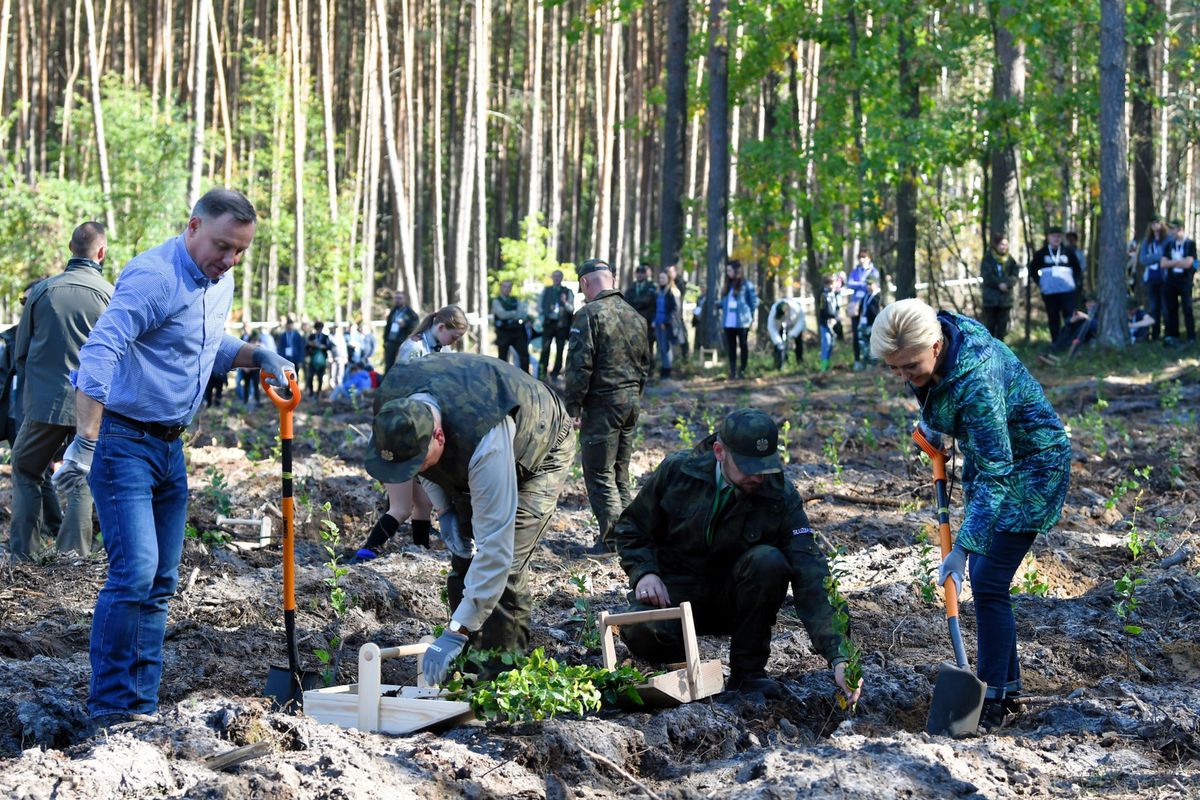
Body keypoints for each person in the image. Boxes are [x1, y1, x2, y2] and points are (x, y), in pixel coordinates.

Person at [54, 189, 294, 729]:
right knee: (134, 573)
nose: (230, 260)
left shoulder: (218, 280)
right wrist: (86, 442)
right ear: (193, 227)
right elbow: (101, 350)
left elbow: (205, 344)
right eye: (222, 246)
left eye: (240, 252)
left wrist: (259, 356)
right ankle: (112, 709)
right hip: (124, 442)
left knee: (161, 579)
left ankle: (141, 706)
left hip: (169, 447)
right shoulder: (154, 276)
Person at [871, 298, 1070, 730]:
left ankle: (993, 699)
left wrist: (959, 550)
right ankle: (1007, 685)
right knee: (987, 577)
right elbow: (941, 396)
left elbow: (998, 472)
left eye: (910, 366)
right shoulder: (942, 333)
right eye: (894, 369)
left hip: (1033, 467)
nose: (903, 377)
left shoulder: (977, 379)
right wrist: (933, 426)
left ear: (936, 347)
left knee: (987, 579)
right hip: (995, 460)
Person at [611, 409, 863, 702]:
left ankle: (748, 673)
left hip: (736, 600)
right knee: (643, 630)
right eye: (747, 466)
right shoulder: (678, 472)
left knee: (768, 561)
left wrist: (840, 655)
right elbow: (632, 528)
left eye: (764, 466)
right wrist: (645, 572)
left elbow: (812, 572)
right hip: (674, 594)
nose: (757, 476)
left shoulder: (780, 496)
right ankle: (680, 668)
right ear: (719, 452)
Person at [363, 353, 575, 686]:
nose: (413, 474)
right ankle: (464, 666)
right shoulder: (392, 413)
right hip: (466, 443)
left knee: (504, 569)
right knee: (465, 556)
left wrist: (455, 633)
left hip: (541, 443)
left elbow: (496, 548)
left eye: (417, 463)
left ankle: (500, 681)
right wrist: (444, 510)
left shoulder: (485, 442)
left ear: (439, 437)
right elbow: (422, 468)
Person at [9, 222, 114, 559]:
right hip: (93, 406)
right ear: (101, 253)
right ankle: (75, 554)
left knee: (26, 468)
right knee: (82, 475)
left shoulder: (42, 291)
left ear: (71, 248)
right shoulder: (112, 296)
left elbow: (20, 352)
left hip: (46, 405)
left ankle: (24, 553)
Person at [354, 305, 470, 560]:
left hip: (418, 436)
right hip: (398, 436)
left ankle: (421, 550)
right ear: (441, 327)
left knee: (424, 504)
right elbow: (400, 393)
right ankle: (364, 553)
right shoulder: (413, 348)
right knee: (401, 507)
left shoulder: (441, 348)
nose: (455, 342)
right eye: (454, 336)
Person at [563, 259, 650, 553]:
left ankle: (613, 540)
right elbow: (645, 366)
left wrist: (572, 408)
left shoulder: (588, 315)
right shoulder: (636, 315)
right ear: (610, 279)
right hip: (630, 402)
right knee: (620, 473)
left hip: (603, 405)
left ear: (585, 284)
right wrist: (635, 396)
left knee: (600, 473)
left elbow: (579, 367)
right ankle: (632, 535)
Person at [1031, 226, 1083, 343]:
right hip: (1050, 293)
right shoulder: (1041, 253)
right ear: (1048, 237)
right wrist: (1041, 283)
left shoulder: (1068, 252)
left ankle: (1069, 341)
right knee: (1053, 318)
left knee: (1070, 317)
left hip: (1067, 293)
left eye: (1058, 236)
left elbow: (1077, 269)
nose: (1056, 238)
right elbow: (1032, 270)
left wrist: (1074, 283)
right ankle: (1056, 342)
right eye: (1053, 236)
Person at [1160, 219, 1197, 347]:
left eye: (1173, 229)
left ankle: (1191, 335)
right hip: (1170, 281)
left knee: (1187, 308)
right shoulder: (1169, 245)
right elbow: (1163, 263)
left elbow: (1189, 263)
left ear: (1180, 229)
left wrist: (1176, 262)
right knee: (1171, 309)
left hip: (1185, 281)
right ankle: (1172, 335)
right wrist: (1178, 262)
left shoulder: (1190, 244)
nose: (1170, 232)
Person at [720, 259, 758, 379]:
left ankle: (743, 369)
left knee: (743, 345)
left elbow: (754, 302)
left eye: (730, 270)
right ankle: (732, 371)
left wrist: (749, 316)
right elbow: (725, 302)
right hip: (728, 321)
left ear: (737, 271)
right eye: (727, 271)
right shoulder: (727, 286)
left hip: (742, 322)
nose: (728, 273)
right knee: (731, 347)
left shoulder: (746, 285)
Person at [980, 233, 1021, 342]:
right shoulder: (988, 258)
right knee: (990, 326)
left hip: (1005, 300)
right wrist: (999, 284)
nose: (1004, 247)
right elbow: (986, 275)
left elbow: (1015, 275)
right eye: (1002, 244)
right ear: (996, 245)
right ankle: (988, 350)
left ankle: (1001, 351)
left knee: (1002, 328)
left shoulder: (1011, 260)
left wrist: (1007, 284)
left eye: (1006, 244)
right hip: (990, 300)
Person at [539, 270, 574, 381]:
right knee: (545, 349)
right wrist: (545, 312)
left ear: (562, 278)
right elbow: (539, 306)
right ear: (552, 278)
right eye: (555, 276)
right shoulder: (546, 290)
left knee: (560, 349)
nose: (557, 278)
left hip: (562, 325)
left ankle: (556, 373)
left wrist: (565, 302)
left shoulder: (567, 291)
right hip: (548, 323)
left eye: (559, 276)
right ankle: (542, 373)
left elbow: (571, 309)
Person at [846, 250, 880, 362]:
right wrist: (863, 283)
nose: (862, 259)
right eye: (860, 257)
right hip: (856, 305)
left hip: (868, 304)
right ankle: (857, 360)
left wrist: (859, 284)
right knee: (856, 333)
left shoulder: (874, 271)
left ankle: (871, 359)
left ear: (869, 258)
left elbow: (873, 284)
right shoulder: (855, 271)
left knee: (870, 332)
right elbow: (850, 283)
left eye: (864, 257)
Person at [1138, 219, 1168, 341]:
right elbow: (1142, 259)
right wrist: (1157, 257)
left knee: (1165, 306)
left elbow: (1165, 256)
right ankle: (1155, 334)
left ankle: (1168, 334)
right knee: (1154, 307)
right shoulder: (1147, 241)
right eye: (1152, 223)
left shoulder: (1167, 240)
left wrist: (1153, 257)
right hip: (1151, 278)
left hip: (1164, 278)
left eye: (1157, 223)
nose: (1155, 226)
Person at [492, 279, 530, 372]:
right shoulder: (497, 301)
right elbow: (502, 314)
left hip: (517, 331)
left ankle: (525, 377)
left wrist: (511, 315)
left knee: (524, 355)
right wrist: (515, 313)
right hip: (503, 332)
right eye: (504, 286)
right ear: (501, 288)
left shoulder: (515, 300)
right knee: (503, 358)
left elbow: (523, 314)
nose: (507, 289)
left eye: (509, 287)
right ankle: (502, 377)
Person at [627, 264, 658, 359]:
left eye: (642, 273)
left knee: (648, 346)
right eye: (638, 273)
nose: (640, 275)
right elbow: (627, 301)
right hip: (633, 321)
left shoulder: (652, 287)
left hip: (647, 321)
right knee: (634, 346)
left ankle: (650, 369)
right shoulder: (631, 287)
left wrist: (637, 302)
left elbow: (651, 303)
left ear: (646, 274)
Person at [383, 291, 419, 373]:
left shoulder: (410, 313)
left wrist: (406, 323)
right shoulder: (393, 312)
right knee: (389, 365)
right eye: (396, 298)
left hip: (402, 343)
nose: (397, 300)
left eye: (400, 298)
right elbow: (387, 327)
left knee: (401, 365)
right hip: (391, 343)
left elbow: (415, 326)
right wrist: (385, 341)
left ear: (405, 299)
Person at [652, 269, 679, 379]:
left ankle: (667, 370)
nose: (661, 280)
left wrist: (666, 322)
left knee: (666, 347)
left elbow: (675, 309)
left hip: (666, 325)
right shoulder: (658, 291)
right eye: (660, 278)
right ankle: (663, 368)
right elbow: (655, 308)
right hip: (657, 323)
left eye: (663, 278)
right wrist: (654, 320)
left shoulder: (672, 291)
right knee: (661, 348)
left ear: (668, 279)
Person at [767, 297, 805, 369]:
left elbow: (801, 322)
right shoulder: (774, 310)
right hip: (781, 326)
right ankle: (779, 363)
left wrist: (793, 334)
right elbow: (771, 327)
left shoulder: (797, 308)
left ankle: (799, 361)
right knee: (779, 345)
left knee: (799, 342)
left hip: (794, 325)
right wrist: (777, 341)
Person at [854, 276, 883, 368]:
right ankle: (865, 363)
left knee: (873, 345)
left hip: (874, 325)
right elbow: (862, 310)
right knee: (863, 344)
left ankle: (873, 365)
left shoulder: (878, 297)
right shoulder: (866, 296)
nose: (868, 286)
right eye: (867, 284)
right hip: (864, 325)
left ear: (875, 284)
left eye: (870, 284)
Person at [667, 264, 690, 361]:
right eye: (668, 272)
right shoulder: (666, 283)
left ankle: (685, 356)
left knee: (682, 337)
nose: (669, 274)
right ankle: (675, 358)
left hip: (678, 314)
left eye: (671, 272)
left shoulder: (680, 282)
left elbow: (680, 293)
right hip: (669, 314)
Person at [818, 273, 840, 371]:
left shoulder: (835, 294)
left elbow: (837, 308)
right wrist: (829, 318)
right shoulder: (823, 295)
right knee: (826, 343)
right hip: (825, 323)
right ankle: (823, 367)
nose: (831, 286)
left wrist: (836, 317)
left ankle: (828, 364)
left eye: (832, 284)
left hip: (833, 322)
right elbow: (823, 310)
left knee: (831, 344)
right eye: (829, 284)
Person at [306, 321, 332, 398]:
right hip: (313, 360)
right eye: (318, 329)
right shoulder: (312, 336)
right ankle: (311, 392)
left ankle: (318, 393)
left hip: (322, 360)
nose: (319, 330)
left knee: (320, 377)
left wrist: (322, 346)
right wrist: (311, 345)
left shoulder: (325, 337)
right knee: (310, 377)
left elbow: (329, 347)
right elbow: (306, 347)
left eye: (320, 328)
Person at [238, 326, 262, 407]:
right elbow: (241, 359)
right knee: (246, 386)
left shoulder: (259, 349)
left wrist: (252, 368)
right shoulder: (246, 348)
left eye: (256, 341)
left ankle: (257, 401)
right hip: (246, 370)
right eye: (253, 340)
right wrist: (245, 368)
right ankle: (245, 401)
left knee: (256, 386)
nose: (254, 342)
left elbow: (260, 362)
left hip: (255, 370)